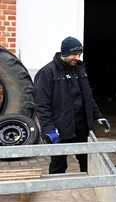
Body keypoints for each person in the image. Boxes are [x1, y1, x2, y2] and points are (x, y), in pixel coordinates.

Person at [34, 37, 110, 174]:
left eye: (79, 54)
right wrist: (49, 129)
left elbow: (88, 98)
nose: (77, 57)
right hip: (60, 128)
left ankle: (87, 186)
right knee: (59, 164)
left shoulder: (80, 69)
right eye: (74, 54)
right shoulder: (47, 72)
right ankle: (56, 191)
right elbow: (41, 105)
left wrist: (98, 116)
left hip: (81, 127)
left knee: (86, 161)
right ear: (64, 52)